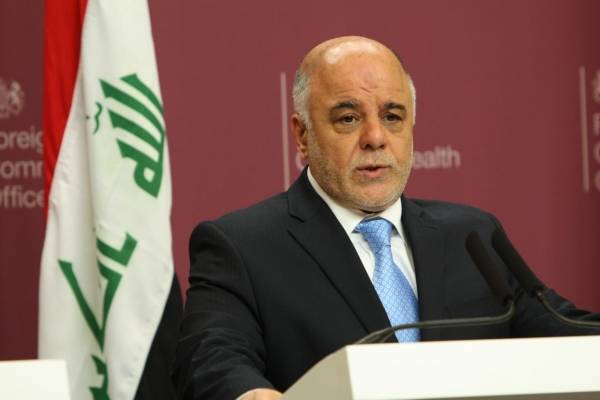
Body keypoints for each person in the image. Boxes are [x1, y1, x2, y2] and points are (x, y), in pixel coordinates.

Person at [173, 36, 599, 400]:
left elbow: (564, 330)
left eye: (392, 117)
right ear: (302, 135)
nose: (375, 138)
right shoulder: (242, 246)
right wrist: (248, 393)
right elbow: (211, 357)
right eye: (348, 118)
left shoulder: (472, 236)